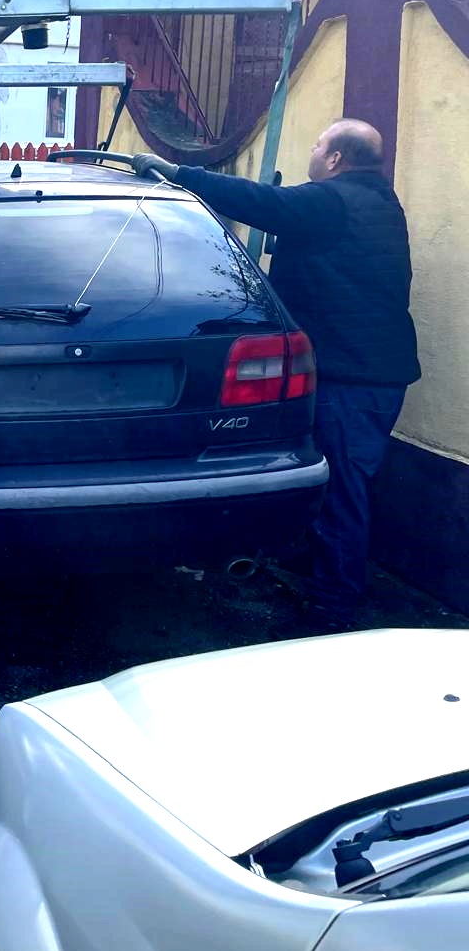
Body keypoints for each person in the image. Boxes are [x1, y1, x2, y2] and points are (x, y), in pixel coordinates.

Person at [133, 120, 421, 631]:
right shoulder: (380, 202)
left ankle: (334, 610)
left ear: (335, 159)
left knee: (342, 491)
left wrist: (179, 174)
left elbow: (261, 202)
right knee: (340, 485)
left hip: (352, 378)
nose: (313, 151)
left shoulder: (332, 201)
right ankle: (322, 572)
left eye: (318, 144)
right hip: (371, 373)